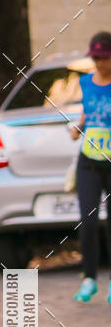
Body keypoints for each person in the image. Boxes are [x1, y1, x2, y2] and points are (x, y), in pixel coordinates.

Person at [69, 31, 111, 302]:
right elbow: (87, 111)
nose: (98, 62)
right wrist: (77, 126)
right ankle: (89, 280)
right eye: (94, 57)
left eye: (102, 57)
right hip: (88, 161)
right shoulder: (86, 82)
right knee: (88, 220)